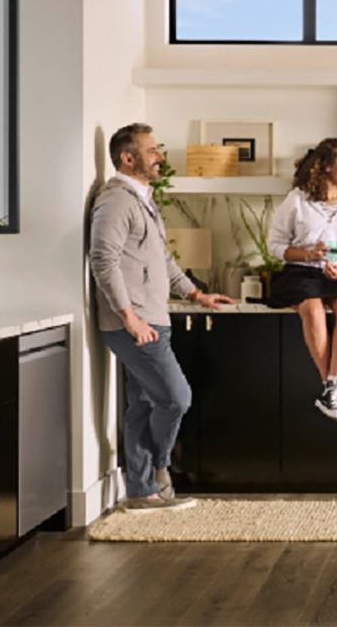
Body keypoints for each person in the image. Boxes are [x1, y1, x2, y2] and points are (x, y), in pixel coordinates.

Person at [90, 123, 232, 513]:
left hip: (151, 319)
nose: (160, 157)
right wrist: (130, 318)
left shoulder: (143, 200)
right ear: (128, 157)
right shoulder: (117, 201)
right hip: (133, 325)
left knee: (143, 405)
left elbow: (162, 260)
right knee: (176, 398)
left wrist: (195, 293)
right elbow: (103, 261)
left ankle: (141, 491)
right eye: (152, 151)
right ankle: (160, 469)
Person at [266, 138, 337, 423]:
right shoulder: (297, 200)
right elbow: (274, 245)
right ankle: (335, 391)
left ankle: (332, 389)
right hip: (301, 272)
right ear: (327, 165)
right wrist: (307, 253)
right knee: (312, 309)